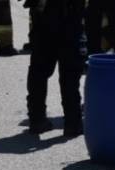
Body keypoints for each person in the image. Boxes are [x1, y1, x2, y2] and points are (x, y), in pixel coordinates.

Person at [25, 0, 87, 137]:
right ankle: (72, 123)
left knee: (39, 71)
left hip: (44, 18)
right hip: (69, 18)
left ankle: (37, 119)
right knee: (69, 74)